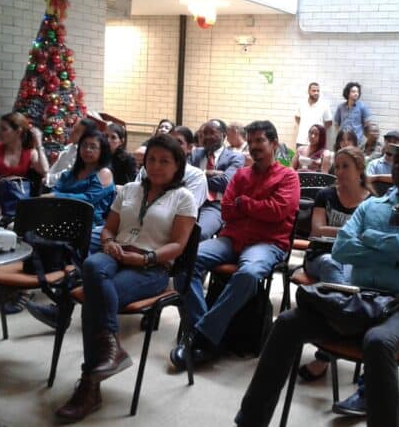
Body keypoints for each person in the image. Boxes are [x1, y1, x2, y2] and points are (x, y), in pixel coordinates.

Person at [235, 132, 399, 427]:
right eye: (398, 159)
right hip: (358, 297)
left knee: (378, 341)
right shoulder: (371, 206)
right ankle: (250, 421)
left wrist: (371, 240)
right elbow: (341, 248)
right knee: (288, 323)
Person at [54, 134, 197, 422]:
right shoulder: (129, 189)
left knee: (96, 296)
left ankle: (89, 386)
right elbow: (109, 229)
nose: (156, 166)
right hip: (116, 255)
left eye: (164, 161)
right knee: (94, 265)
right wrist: (108, 243)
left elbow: (178, 246)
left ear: (178, 166)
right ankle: (110, 347)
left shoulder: (184, 197)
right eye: (152, 159)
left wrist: (146, 258)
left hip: (152, 267)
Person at [169, 120, 300, 371]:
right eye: (250, 143)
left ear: (273, 144)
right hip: (232, 239)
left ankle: (202, 337)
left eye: (260, 141)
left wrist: (245, 204)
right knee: (185, 261)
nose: (254, 147)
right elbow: (227, 211)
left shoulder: (288, 176)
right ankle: (205, 334)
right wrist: (248, 206)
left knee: (249, 274)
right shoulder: (241, 175)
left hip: (267, 243)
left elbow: (278, 211)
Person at [296, 146, 374, 382]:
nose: (338, 172)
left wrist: (339, 233)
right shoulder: (326, 195)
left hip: (353, 260)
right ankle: (352, 326)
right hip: (320, 256)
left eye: (345, 166)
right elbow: (317, 231)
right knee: (332, 264)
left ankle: (325, 353)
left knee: (352, 274)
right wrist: (352, 233)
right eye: (336, 166)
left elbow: (369, 237)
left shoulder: (372, 202)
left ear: (360, 169)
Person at [25, 130, 117, 328]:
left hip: (91, 224)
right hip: (61, 222)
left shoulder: (103, 173)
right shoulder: (70, 173)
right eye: (85, 146)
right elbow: (56, 190)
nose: (88, 150)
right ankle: (18, 291)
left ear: (103, 151)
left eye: (94, 147)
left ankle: (60, 310)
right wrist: (55, 197)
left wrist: (57, 198)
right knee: (29, 234)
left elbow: (89, 199)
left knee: (73, 246)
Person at [189, 120, 245, 240]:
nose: (207, 137)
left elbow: (226, 183)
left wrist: (196, 176)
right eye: (204, 133)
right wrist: (208, 173)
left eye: (212, 133)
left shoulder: (235, 157)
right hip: (189, 201)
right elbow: (184, 176)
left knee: (199, 234)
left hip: (215, 205)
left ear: (224, 135)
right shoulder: (195, 154)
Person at [135, 126, 207, 211]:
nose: (172, 146)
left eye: (179, 142)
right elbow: (135, 197)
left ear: (189, 148)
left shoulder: (196, 176)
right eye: (170, 141)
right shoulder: (147, 168)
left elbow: (187, 209)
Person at [0, 112, 49, 183]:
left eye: (4, 129)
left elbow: (45, 170)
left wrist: (39, 145)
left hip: (18, 192)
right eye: (0, 129)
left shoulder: (30, 152)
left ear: (18, 132)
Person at [44, 117, 97, 188]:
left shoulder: (82, 154)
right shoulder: (71, 146)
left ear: (86, 137)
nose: (72, 131)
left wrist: (46, 179)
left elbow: (67, 174)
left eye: (77, 131)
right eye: (74, 127)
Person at [366, 130, 399, 195]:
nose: (391, 144)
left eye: (395, 142)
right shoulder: (374, 164)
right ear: (384, 142)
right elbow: (367, 179)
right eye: (388, 141)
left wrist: (377, 178)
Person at [295, 82, 331, 148]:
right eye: (314, 91)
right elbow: (297, 117)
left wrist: (319, 131)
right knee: (300, 158)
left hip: (317, 141)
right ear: (308, 91)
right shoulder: (302, 104)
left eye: (318, 91)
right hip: (301, 140)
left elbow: (329, 122)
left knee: (316, 158)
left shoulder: (324, 105)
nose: (316, 93)